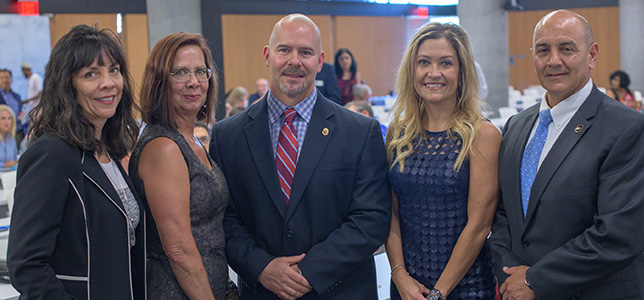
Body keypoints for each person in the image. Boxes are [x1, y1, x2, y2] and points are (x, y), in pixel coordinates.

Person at [209, 13, 391, 299]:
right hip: (263, 291)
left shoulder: (360, 132)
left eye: (305, 52)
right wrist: (262, 268)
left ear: (319, 62)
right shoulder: (227, 136)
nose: (294, 60)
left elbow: (372, 218)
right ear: (268, 56)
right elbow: (224, 220)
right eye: (285, 50)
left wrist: (309, 272)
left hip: (341, 291)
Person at [490, 10, 644, 300]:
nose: (553, 60)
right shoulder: (516, 126)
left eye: (567, 49)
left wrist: (535, 280)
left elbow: (618, 236)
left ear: (592, 55)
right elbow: (502, 215)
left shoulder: (629, 130)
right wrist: (509, 273)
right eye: (543, 50)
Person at [7, 24, 145, 299]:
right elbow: (27, 264)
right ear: (67, 86)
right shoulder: (52, 154)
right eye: (91, 74)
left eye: (114, 70)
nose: (109, 83)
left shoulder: (109, 151)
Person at [384, 22, 500, 300]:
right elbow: (390, 213)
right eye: (424, 62)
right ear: (412, 71)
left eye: (445, 63)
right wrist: (399, 275)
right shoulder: (397, 133)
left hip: (465, 288)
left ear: (461, 74)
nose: (433, 73)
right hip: (406, 287)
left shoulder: (482, 135)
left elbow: (479, 225)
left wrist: (438, 293)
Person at [128, 32, 229, 299]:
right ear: (160, 81)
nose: (194, 82)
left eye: (200, 71)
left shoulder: (191, 138)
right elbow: (178, 251)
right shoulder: (164, 147)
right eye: (180, 73)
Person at [0, 68, 24, 139]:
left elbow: (21, 112)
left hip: (17, 132)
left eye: (7, 77)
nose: (5, 80)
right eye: (1, 78)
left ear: (11, 80)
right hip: (2, 134)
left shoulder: (17, 96)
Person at [20, 62, 43, 128]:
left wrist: (28, 100)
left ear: (25, 70)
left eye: (23, 71)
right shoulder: (30, 79)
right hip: (31, 108)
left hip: (37, 108)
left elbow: (40, 92)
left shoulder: (35, 77)